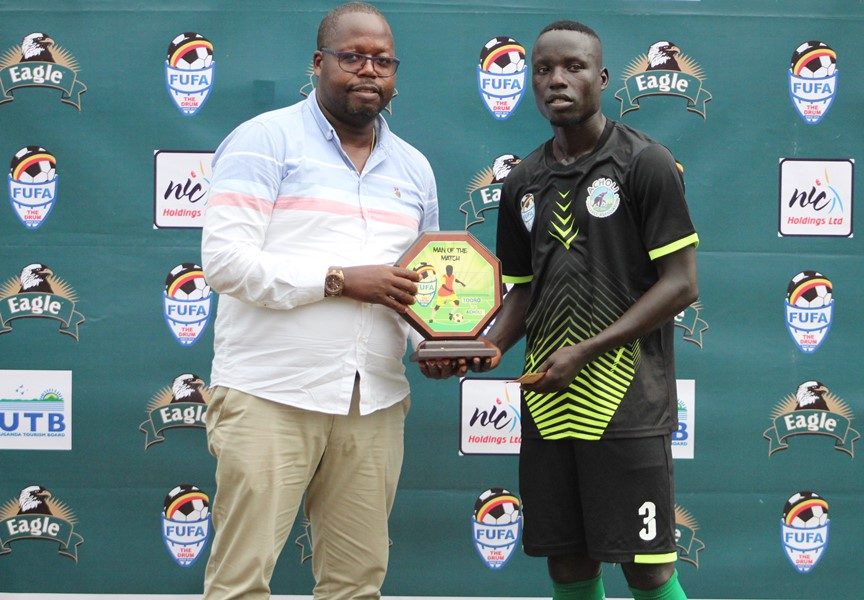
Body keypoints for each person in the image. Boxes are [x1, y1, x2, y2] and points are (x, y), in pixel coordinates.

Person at [420, 20, 698, 600]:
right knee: (568, 565)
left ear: (602, 77)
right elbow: (523, 292)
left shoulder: (644, 163)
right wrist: (487, 346)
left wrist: (586, 351)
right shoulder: (523, 180)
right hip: (550, 408)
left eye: (573, 67)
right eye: (543, 69)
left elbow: (680, 285)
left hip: (625, 405)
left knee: (647, 568)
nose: (556, 80)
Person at [200, 3, 438, 599]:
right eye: (352, 56)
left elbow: (423, 285)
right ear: (318, 62)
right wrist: (338, 280)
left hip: (374, 399)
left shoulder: (414, 169)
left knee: (356, 585)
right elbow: (226, 263)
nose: (368, 70)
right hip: (269, 394)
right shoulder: (264, 141)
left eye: (383, 61)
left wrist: (438, 343)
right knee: (240, 583)